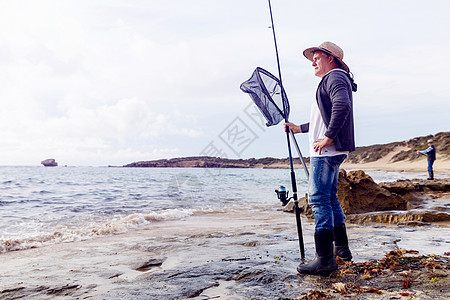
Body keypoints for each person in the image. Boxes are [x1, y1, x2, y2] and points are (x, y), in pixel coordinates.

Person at [285, 41, 357, 276]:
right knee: (329, 197)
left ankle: (325, 259)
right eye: (312, 58)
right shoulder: (333, 80)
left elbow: (342, 106)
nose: (313, 62)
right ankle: (341, 250)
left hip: (326, 151)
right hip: (331, 150)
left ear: (332, 58)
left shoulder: (334, 77)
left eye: (317, 57)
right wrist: (300, 128)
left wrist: (327, 137)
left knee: (318, 199)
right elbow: (324, 118)